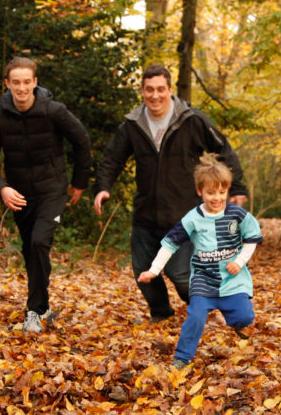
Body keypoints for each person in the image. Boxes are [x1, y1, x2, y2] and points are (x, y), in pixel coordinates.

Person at [94, 64, 248, 322]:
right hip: (145, 213)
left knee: (180, 273)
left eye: (160, 90)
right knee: (143, 272)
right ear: (142, 91)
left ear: (170, 90)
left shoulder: (191, 120)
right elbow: (112, 159)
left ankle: (207, 306)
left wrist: (237, 188)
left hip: (183, 214)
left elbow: (223, 149)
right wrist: (103, 188)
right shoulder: (133, 124)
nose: (155, 96)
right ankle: (161, 313)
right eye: (149, 90)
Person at [0, 56, 92, 333]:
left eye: (27, 82)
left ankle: (34, 311)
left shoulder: (54, 110)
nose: (21, 88)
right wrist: (2, 188)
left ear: (35, 83)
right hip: (19, 194)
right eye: (15, 82)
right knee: (31, 251)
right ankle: (45, 306)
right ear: (7, 84)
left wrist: (79, 182)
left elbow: (82, 140)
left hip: (52, 190)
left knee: (40, 242)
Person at [138, 154, 262, 368]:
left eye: (222, 192)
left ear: (228, 190)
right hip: (204, 280)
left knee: (245, 318)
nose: (217, 198)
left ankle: (234, 321)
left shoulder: (238, 215)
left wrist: (240, 261)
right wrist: (154, 270)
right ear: (200, 191)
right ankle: (182, 358)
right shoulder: (193, 218)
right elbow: (170, 243)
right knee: (195, 317)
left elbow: (252, 238)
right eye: (210, 192)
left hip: (233, 280)